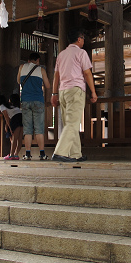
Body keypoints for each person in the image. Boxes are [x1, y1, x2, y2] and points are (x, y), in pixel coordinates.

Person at [51, 28, 98, 162]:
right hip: (75, 90)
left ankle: (75, 154)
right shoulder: (81, 53)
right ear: (79, 39)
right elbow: (87, 73)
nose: (83, 41)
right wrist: (93, 92)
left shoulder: (61, 55)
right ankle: (60, 152)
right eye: (83, 38)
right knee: (72, 123)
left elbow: (56, 75)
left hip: (63, 91)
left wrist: (54, 93)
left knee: (70, 123)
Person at [17, 52, 51, 160]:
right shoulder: (41, 69)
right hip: (38, 101)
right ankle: (42, 154)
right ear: (38, 60)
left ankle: (27, 154)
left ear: (28, 60)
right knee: (39, 128)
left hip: (25, 101)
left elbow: (18, 81)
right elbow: (48, 85)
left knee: (27, 129)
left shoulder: (22, 67)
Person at [0, 93, 23, 160]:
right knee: (19, 138)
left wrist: (10, 128)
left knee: (14, 137)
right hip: (21, 117)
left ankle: (11, 154)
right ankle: (16, 154)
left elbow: (7, 118)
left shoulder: (2, 106)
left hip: (15, 118)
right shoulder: (11, 105)